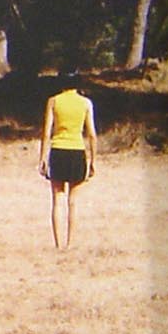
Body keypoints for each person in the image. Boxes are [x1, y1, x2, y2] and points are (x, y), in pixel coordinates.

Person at [38, 69, 97, 249]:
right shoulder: (86, 103)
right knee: (73, 201)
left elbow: (46, 133)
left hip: (58, 151)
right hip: (77, 151)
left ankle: (57, 244)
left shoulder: (54, 101)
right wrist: (93, 160)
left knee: (56, 199)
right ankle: (70, 244)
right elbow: (92, 135)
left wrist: (42, 157)